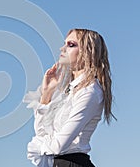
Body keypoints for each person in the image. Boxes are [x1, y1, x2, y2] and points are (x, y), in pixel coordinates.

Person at [23, 28, 115, 167]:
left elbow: (58, 146)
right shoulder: (69, 91)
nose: (62, 48)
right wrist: (47, 93)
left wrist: (42, 145)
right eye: (64, 43)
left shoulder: (90, 92)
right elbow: (42, 132)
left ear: (87, 52)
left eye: (70, 45)